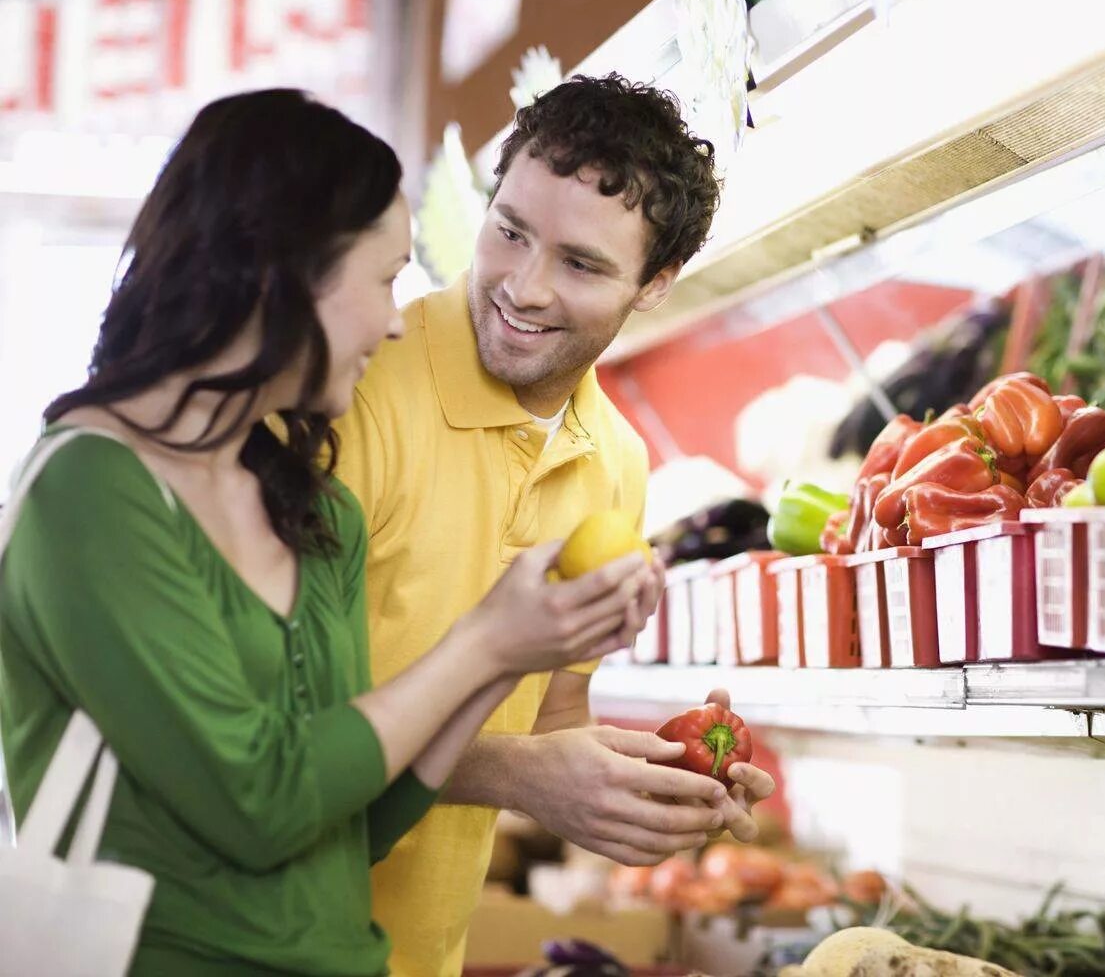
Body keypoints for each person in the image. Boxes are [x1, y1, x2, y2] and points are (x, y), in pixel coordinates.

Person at [0, 89, 653, 977]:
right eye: (384, 280)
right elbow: (261, 801)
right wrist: (485, 643)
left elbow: (358, 818)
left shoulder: (308, 506)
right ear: (279, 277)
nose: (396, 319)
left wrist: (515, 648)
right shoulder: (87, 491)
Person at [333, 73, 776, 976]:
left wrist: (648, 782)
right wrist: (516, 777)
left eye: (580, 264)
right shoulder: (355, 390)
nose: (523, 287)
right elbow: (265, 738)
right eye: (510, 232)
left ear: (655, 284)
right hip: (265, 944)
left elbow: (550, 713)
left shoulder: (613, 461)